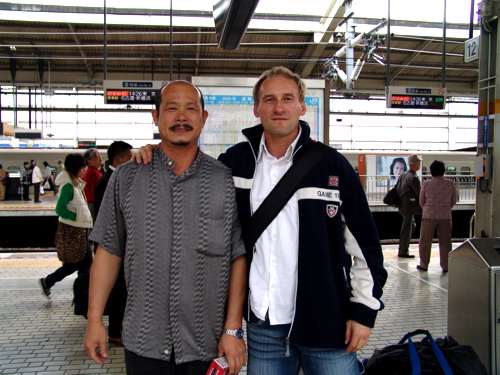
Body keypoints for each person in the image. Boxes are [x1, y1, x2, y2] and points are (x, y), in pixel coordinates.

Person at [136, 67, 387, 375]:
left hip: (328, 324)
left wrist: (364, 311)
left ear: (301, 106)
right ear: (256, 108)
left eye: (287, 98)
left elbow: (366, 247)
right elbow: (188, 169)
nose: (278, 107)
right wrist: (153, 154)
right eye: (269, 99)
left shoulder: (331, 165)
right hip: (263, 329)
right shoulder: (234, 163)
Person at [84, 81, 247, 375]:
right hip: (144, 339)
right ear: (155, 116)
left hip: (205, 340)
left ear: (203, 118)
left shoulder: (224, 180)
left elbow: (237, 256)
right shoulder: (127, 178)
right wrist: (95, 319)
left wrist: (233, 329)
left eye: (190, 109)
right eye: (171, 108)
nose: (181, 117)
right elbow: (108, 250)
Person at [93, 140, 132, 346]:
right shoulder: (111, 180)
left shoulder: (111, 178)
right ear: (118, 159)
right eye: (128, 156)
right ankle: (116, 332)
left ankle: (117, 330)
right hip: (113, 245)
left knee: (120, 291)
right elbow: (108, 220)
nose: (132, 159)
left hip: (118, 245)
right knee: (118, 292)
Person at [39, 153, 93, 297]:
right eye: (83, 167)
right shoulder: (69, 186)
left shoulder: (76, 184)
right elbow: (60, 209)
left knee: (82, 265)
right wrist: (76, 217)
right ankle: (81, 294)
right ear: (77, 168)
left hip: (79, 231)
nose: (85, 169)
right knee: (76, 265)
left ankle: (81, 294)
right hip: (73, 232)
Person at [418, 160, 457, 273]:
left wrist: (427, 208)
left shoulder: (426, 184)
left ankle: (424, 264)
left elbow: (421, 201)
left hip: (428, 215)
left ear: (431, 171)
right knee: (445, 242)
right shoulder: (450, 184)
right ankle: (446, 266)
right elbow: (453, 200)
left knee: (425, 241)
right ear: (443, 171)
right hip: (445, 216)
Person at [396, 154, 422, 258]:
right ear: (413, 164)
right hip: (409, 207)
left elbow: (397, 189)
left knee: (411, 226)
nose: (419, 164)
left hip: (402, 206)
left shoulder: (403, 175)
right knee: (407, 228)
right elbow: (419, 193)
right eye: (418, 162)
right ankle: (403, 251)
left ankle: (403, 248)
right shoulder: (413, 177)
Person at [83, 148, 103, 221]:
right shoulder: (93, 173)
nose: (101, 159)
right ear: (89, 161)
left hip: (91, 204)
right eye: (97, 157)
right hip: (93, 205)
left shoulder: (90, 171)